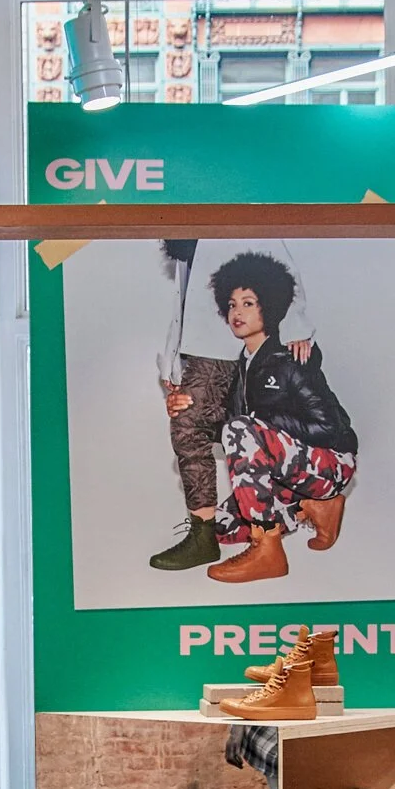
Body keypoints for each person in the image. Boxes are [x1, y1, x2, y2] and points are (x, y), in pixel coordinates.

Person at [200, 251, 357, 584]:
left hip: (330, 463)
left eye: (248, 303)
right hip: (290, 472)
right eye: (231, 305)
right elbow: (237, 433)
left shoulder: (290, 356)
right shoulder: (243, 365)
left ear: (269, 306)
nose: (236, 313)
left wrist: (264, 422)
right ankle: (312, 508)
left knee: (241, 429)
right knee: (221, 526)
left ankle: (267, 547)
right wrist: (189, 410)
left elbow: (329, 427)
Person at [144, 239, 235, 571]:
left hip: (228, 345)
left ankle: (206, 536)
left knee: (190, 423)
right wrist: (174, 368)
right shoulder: (188, 249)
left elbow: (278, 263)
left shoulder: (227, 225)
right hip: (204, 350)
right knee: (192, 424)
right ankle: (204, 535)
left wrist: (298, 327)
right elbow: (185, 308)